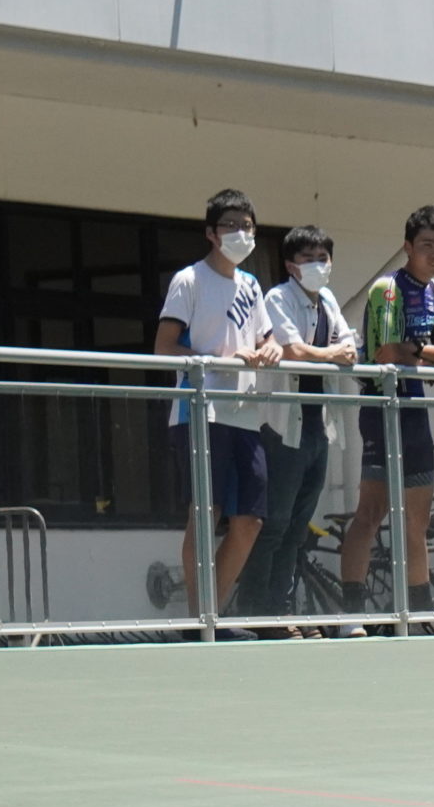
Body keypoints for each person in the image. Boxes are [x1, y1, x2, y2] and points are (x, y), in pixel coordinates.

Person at [153, 189, 282, 629]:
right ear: (210, 233)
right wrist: (218, 361)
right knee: (205, 514)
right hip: (199, 411)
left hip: (245, 412)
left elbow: (266, 337)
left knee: (250, 519)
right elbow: (164, 348)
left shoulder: (251, 284)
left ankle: (214, 611)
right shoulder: (189, 280)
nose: (240, 234)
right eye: (230, 225)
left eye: (247, 226)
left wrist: (270, 350)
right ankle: (198, 620)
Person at [347, 204, 434, 636]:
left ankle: (425, 613)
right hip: (381, 408)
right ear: (407, 247)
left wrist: (415, 350)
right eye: (427, 246)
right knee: (371, 512)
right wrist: (420, 351)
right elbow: (386, 351)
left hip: (414, 408)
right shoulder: (388, 288)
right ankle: (352, 616)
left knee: (417, 519)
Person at [247, 224, 357, 633]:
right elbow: (292, 350)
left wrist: (330, 354)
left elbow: (351, 347)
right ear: (291, 265)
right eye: (309, 259)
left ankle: (283, 610)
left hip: (318, 426)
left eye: (323, 258)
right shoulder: (279, 298)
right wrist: (331, 354)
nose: (318, 266)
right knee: (274, 525)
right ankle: (257, 613)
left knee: (297, 528)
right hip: (283, 428)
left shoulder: (327, 299)